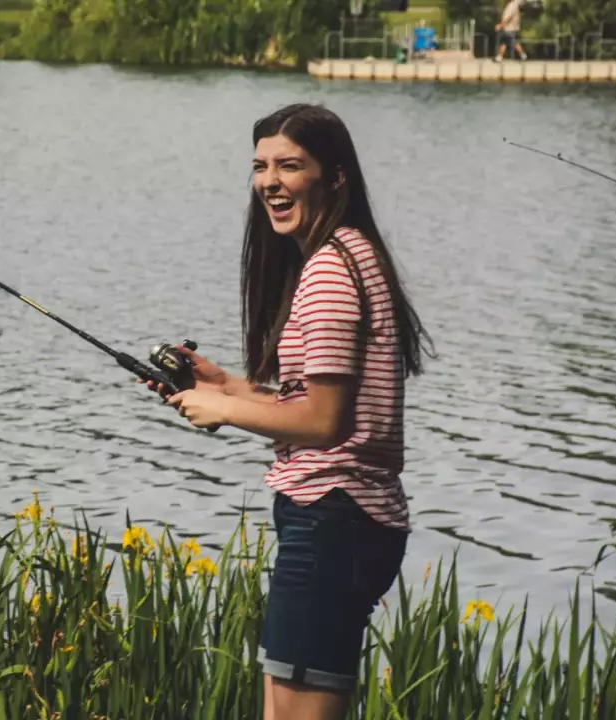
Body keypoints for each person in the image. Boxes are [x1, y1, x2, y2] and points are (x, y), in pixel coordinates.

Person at [141, 103, 433, 718]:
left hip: (332, 519)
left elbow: (325, 425)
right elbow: (317, 404)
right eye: (260, 166)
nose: (270, 180)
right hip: (343, 520)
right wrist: (228, 386)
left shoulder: (329, 270)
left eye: (289, 166)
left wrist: (221, 411)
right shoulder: (352, 253)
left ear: (335, 176)